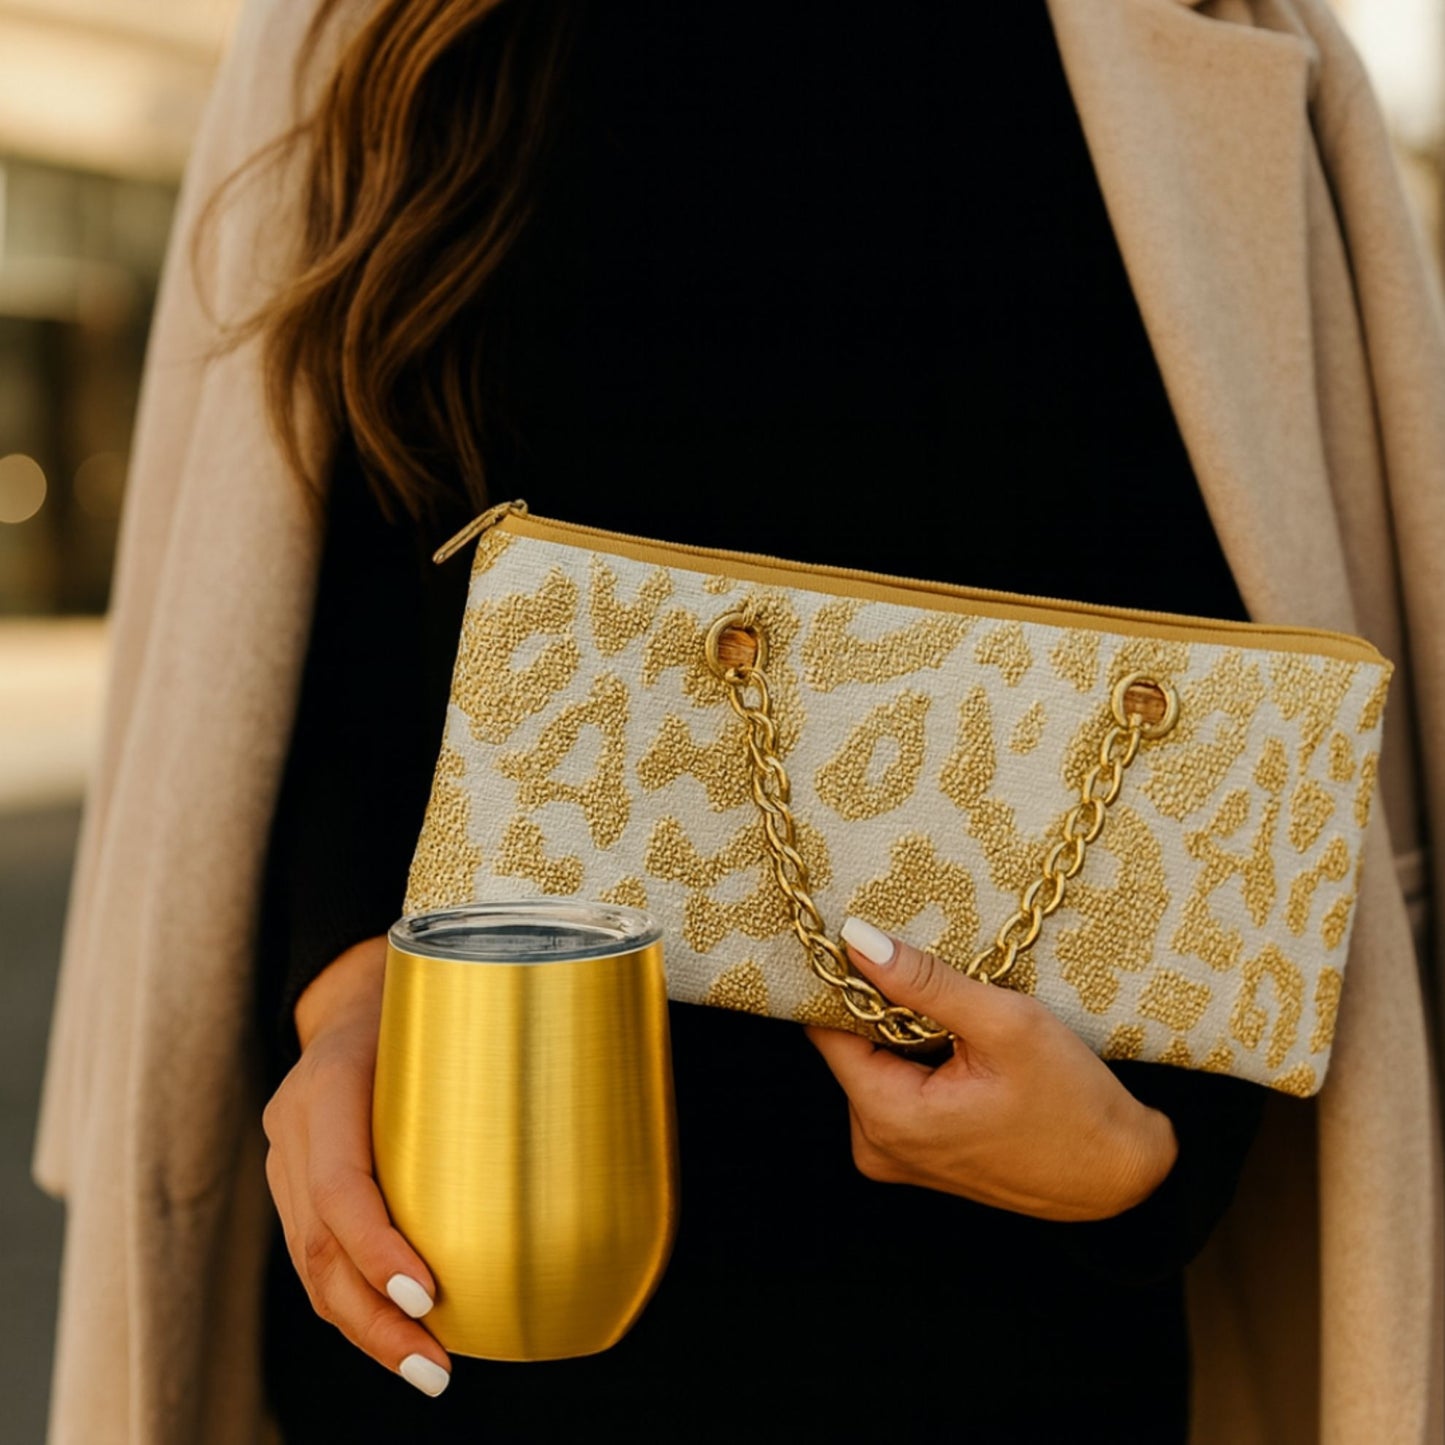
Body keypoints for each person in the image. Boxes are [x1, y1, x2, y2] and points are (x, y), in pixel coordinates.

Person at [33, 1, 1444, 1442]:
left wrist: (1147, 1153)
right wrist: (348, 1001)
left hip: (995, 1325)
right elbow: (322, 610)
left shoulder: (1191, 39)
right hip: (469, 1233)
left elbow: (1249, 671)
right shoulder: (371, 35)